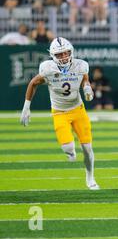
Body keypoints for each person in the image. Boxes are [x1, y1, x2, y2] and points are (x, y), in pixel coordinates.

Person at [20, 37, 100, 190]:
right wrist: (26, 107)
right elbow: (33, 83)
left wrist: (87, 87)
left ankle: (90, 178)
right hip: (59, 112)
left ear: (71, 52)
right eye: (59, 54)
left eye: (66, 53)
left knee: (87, 148)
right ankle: (71, 153)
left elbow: (84, 79)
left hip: (78, 110)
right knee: (68, 149)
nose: (64, 57)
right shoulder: (48, 68)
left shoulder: (81, 65)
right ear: (52, 56)